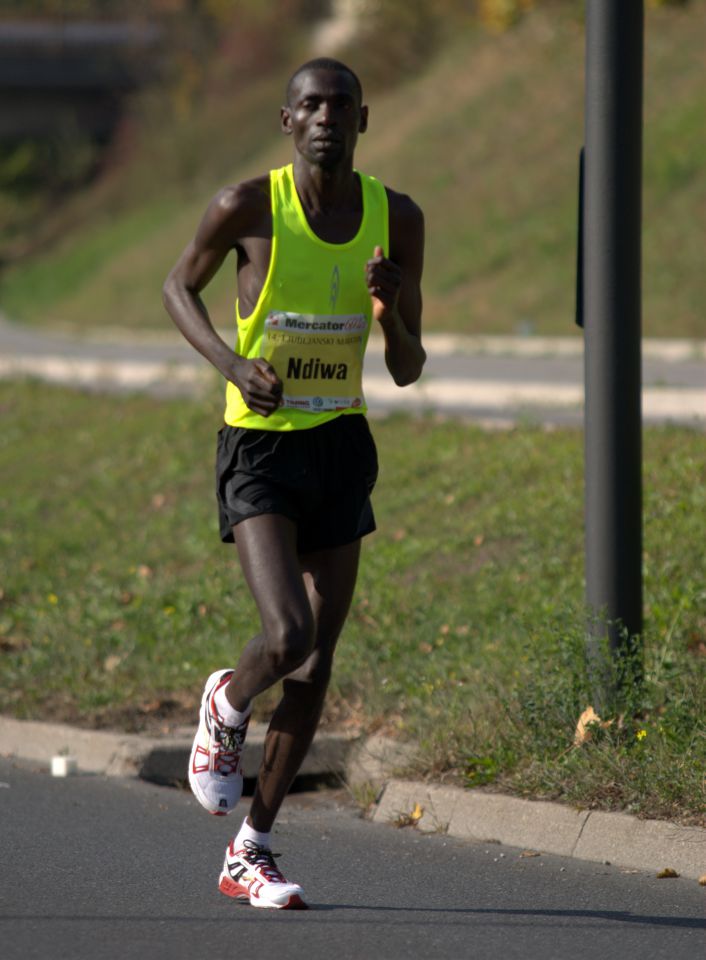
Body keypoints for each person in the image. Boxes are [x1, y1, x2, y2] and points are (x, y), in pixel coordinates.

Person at [162, 56, 425, 910]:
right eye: (310, 104)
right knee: (286, 634)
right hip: (261, 450)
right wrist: (233, 363)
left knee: (314, 668)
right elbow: (177, 286)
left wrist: (397, 312)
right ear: (287, 120)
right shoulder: (248, 206)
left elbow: (410, 369)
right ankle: (226, 700)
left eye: (341, 105)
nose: (325, 118)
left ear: (363, 119)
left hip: (342, 445)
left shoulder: (398, 217)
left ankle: (253, 848)